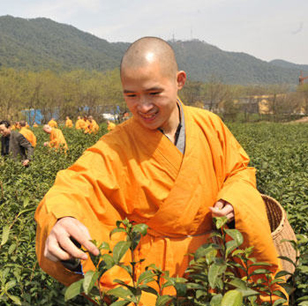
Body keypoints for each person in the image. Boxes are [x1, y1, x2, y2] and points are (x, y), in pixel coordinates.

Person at [35, 37, 280, 304]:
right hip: (153, 280)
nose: (143, 106)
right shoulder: (116, 145)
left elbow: (240, 171)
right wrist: (60, 218)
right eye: (131, 95)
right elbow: (73, 185)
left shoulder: (211, 125)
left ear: (179, 81)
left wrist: (235, 199)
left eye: (153, 93)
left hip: (216, 267)